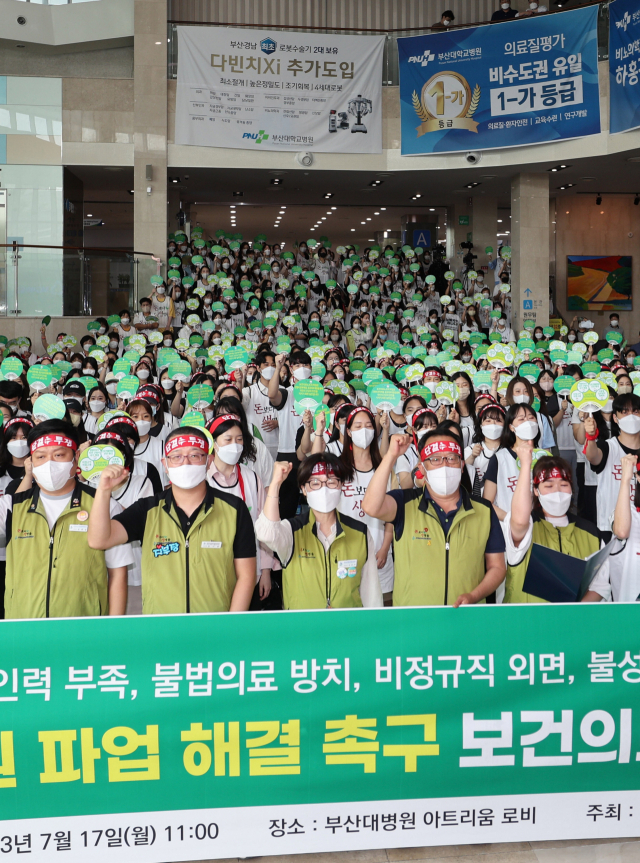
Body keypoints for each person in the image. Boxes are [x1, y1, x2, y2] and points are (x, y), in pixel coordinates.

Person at [87, 427, 257, 614]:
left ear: (209, 461)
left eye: (195, 455)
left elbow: (246, 576)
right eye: (176, 456)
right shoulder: (148, 510)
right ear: (165, 464)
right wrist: (104, 490)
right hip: (160, 630)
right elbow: (99, 539)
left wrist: (230, 625)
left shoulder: (234, 509)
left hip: (214, 628)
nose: (185, 463)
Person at [362, 427, 506, 606]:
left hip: (467, 619)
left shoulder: (483, 510)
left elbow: (497, 567)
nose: (444, 465)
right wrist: (391, 456)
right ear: (422, 468)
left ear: (462, 466)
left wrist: (473, 596)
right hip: (414, 622)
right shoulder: (404, 503)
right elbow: (370, 506)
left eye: (452, 458)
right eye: (435, 459)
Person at [1, 419, 131, 618]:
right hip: (23, 629)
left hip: (84, 630)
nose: (49, 464)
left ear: (76, 457)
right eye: (41, 456)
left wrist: (112, 631)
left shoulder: (104, 504)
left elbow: (117, 574)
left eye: (59, 455)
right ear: (31, 462)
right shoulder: (11, 507)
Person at [255, 454, 383, 609]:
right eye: (315, 483)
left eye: (332, 482)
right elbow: (266, 533)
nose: (324, 489)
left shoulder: (360, 532)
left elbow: (372, 593)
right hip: (304, 629)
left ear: (341, 485)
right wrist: (275, 483)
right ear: (303, 489)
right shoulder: (292, 531)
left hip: (347, 628)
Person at [503, 450, 602, 603]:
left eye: (563, 484)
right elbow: (519, 522)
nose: (557, 491)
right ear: (536, 491)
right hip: (528, 621)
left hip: (573, 622)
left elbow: (600, 585)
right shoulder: (528, 526)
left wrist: (573, 612)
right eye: (548, 486)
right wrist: (526, 465)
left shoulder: (590, 532)